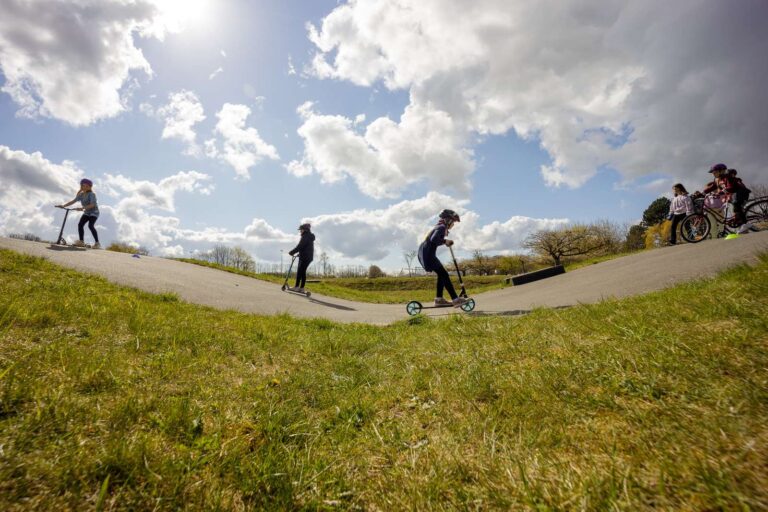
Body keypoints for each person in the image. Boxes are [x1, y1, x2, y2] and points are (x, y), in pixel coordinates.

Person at [418, 209, 469, 307]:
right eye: (453, 222)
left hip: (427, 254)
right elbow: (434, 239)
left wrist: (444, 241)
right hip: (428, 255)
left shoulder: (440, 227)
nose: (453, 224)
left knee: (442, 275)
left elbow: (435, 240)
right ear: (448, 220)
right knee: (444, 275)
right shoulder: (441, 227)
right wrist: (445, 241)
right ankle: (455, 299)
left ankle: (439, 299)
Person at [57, 178, 100, 248]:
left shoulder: (92, 194)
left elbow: (92, 205)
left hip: (94, 212)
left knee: (90, 226)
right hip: (87, 212)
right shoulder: (81, 195)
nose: (84, 187)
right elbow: (73, 201)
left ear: (90, 187)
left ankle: (97, 243)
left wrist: (82, 208)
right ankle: (81, 242)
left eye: (86, 186)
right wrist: (63, 205)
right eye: (83, 185)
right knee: (80, 224)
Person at [288, 223, 315, 293]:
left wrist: (292, 252)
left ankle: (296, 287)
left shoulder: (305, 236)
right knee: (302, 272)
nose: (300, 231)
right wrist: (300, 254)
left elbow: (300, 246)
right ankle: (302, 288)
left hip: (305, 257)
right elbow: (306, 248)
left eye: (301, 230)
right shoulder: (309, 236)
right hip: (308, 257)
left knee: (300, 271)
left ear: (305, 230)